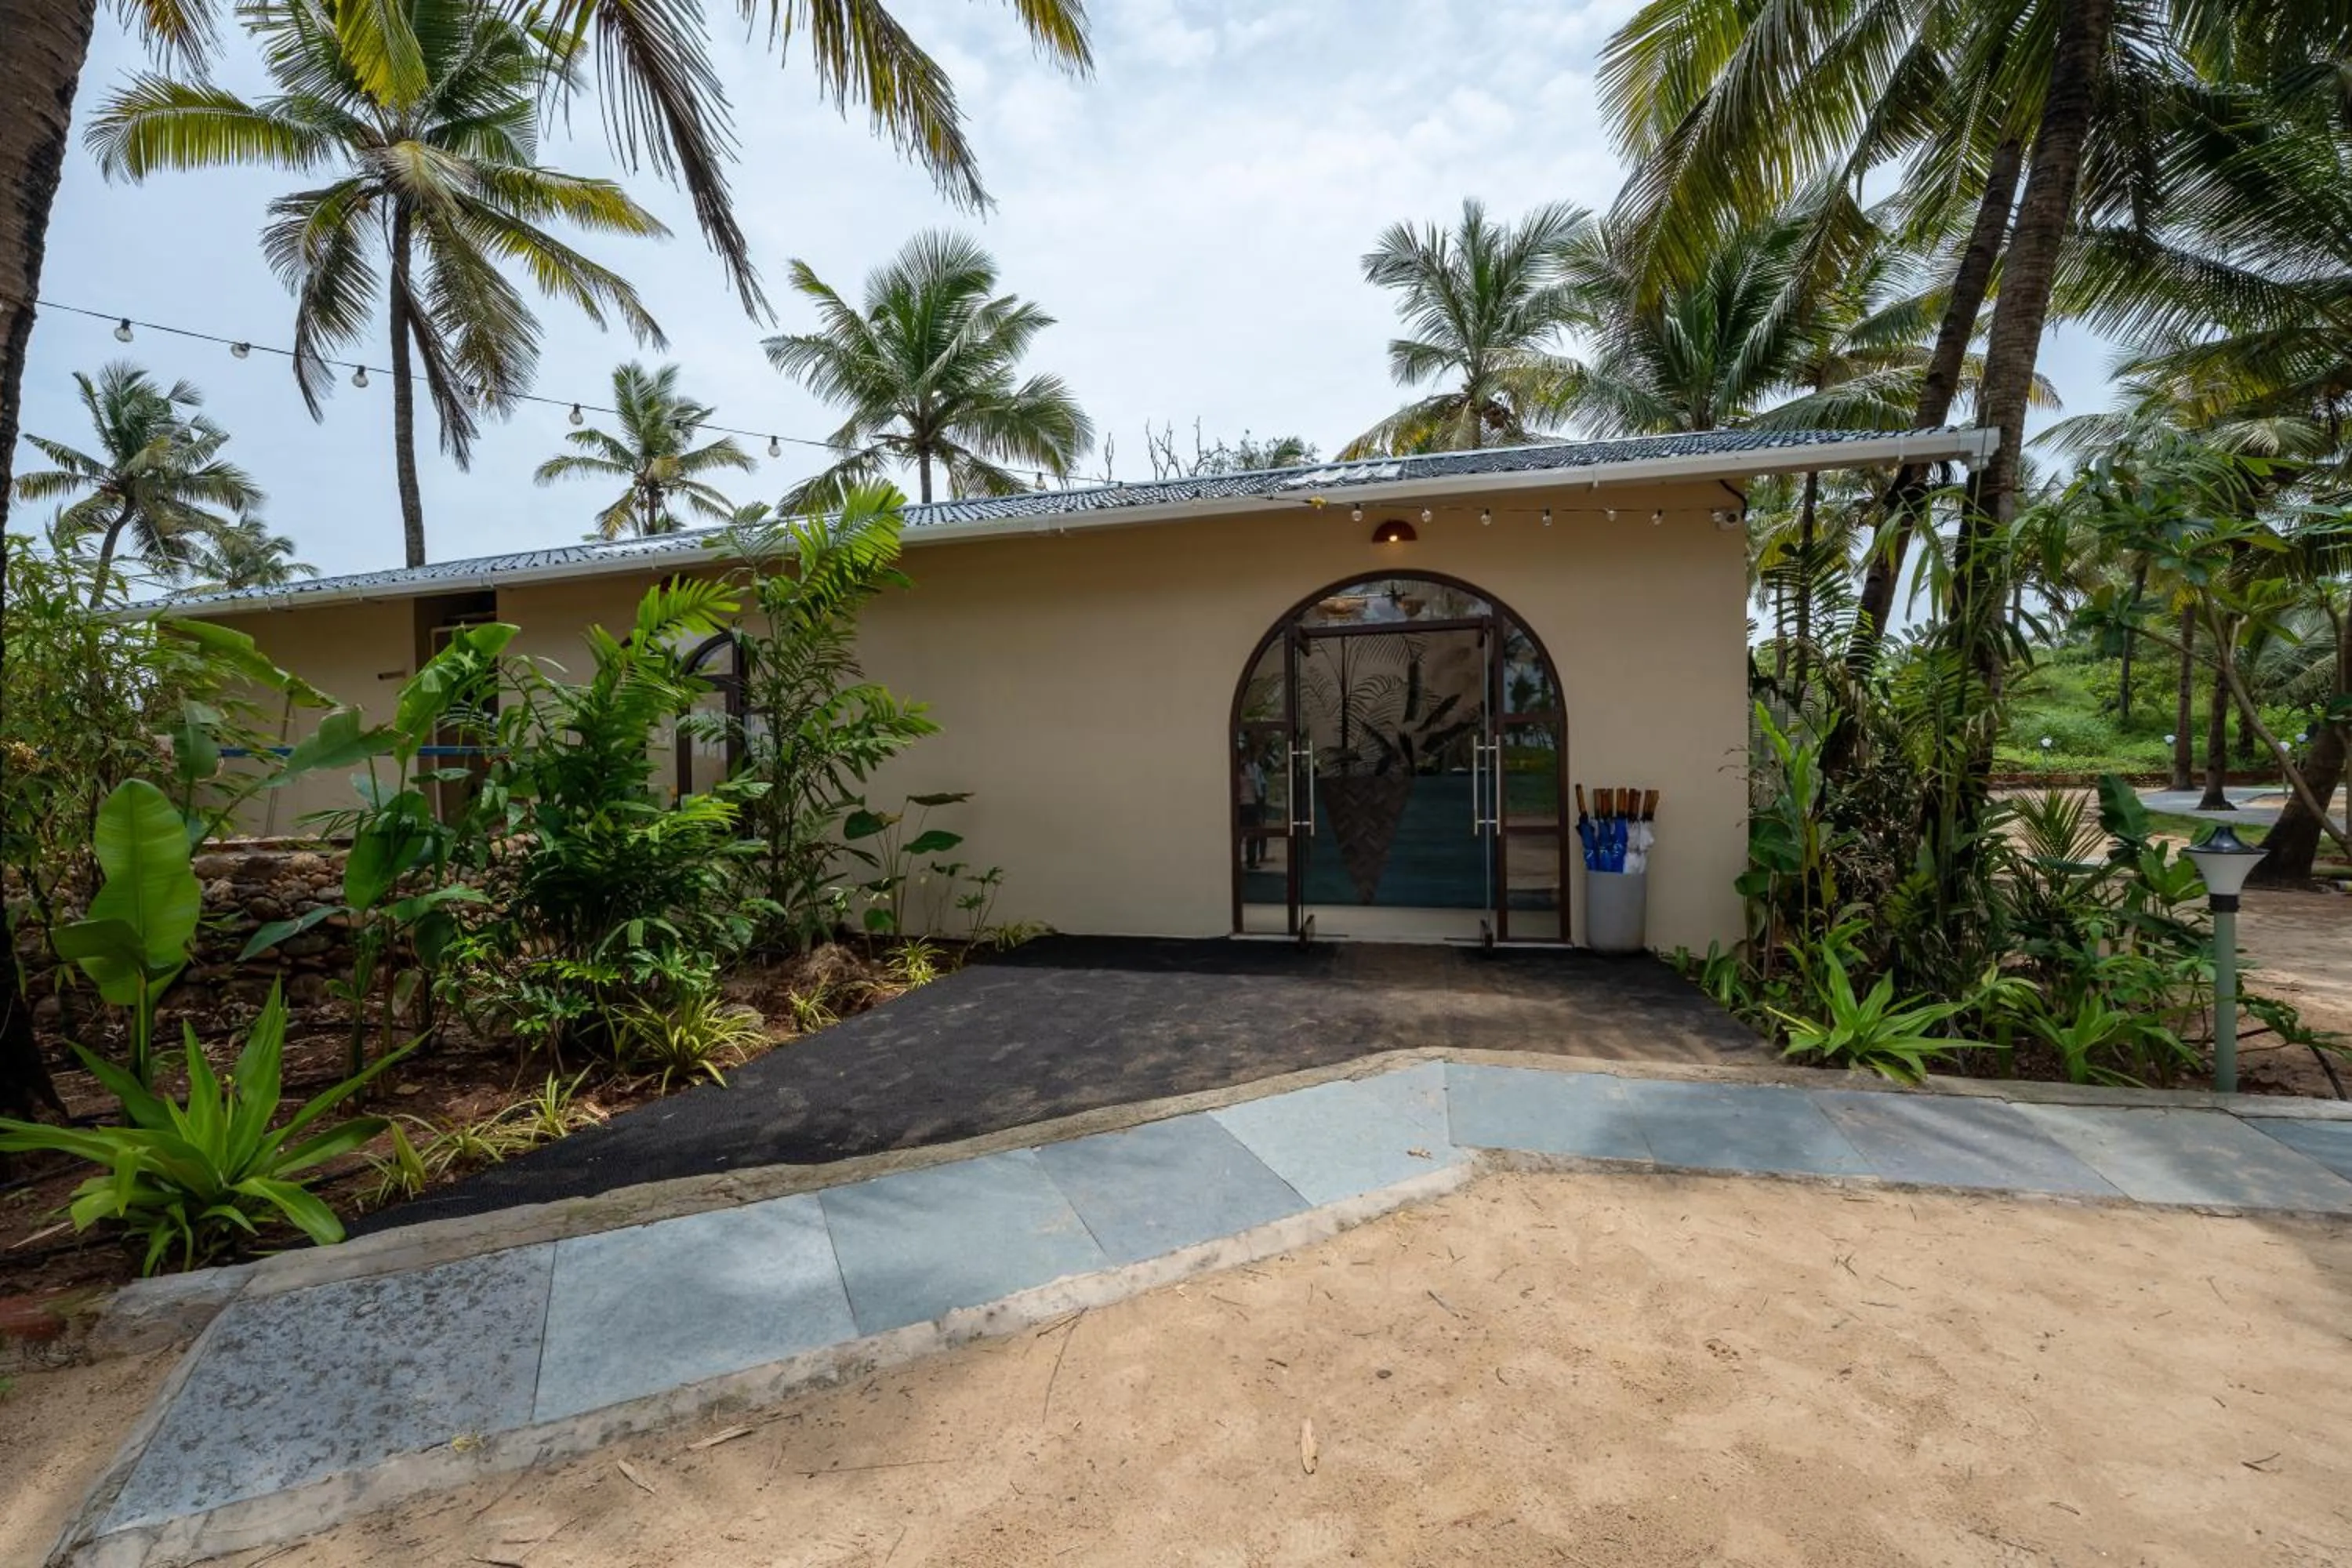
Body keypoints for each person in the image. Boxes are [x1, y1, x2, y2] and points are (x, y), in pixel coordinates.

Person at [1239, 744, 1270, 868]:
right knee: (1243, 833)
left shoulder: (1254, 768)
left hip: (1252, 803)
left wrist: (1260, 797)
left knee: (1254, 832)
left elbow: (1260, 785)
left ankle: (1252, 860)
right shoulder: (1241, 770)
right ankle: (1241, 859)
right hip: (1243, 804)